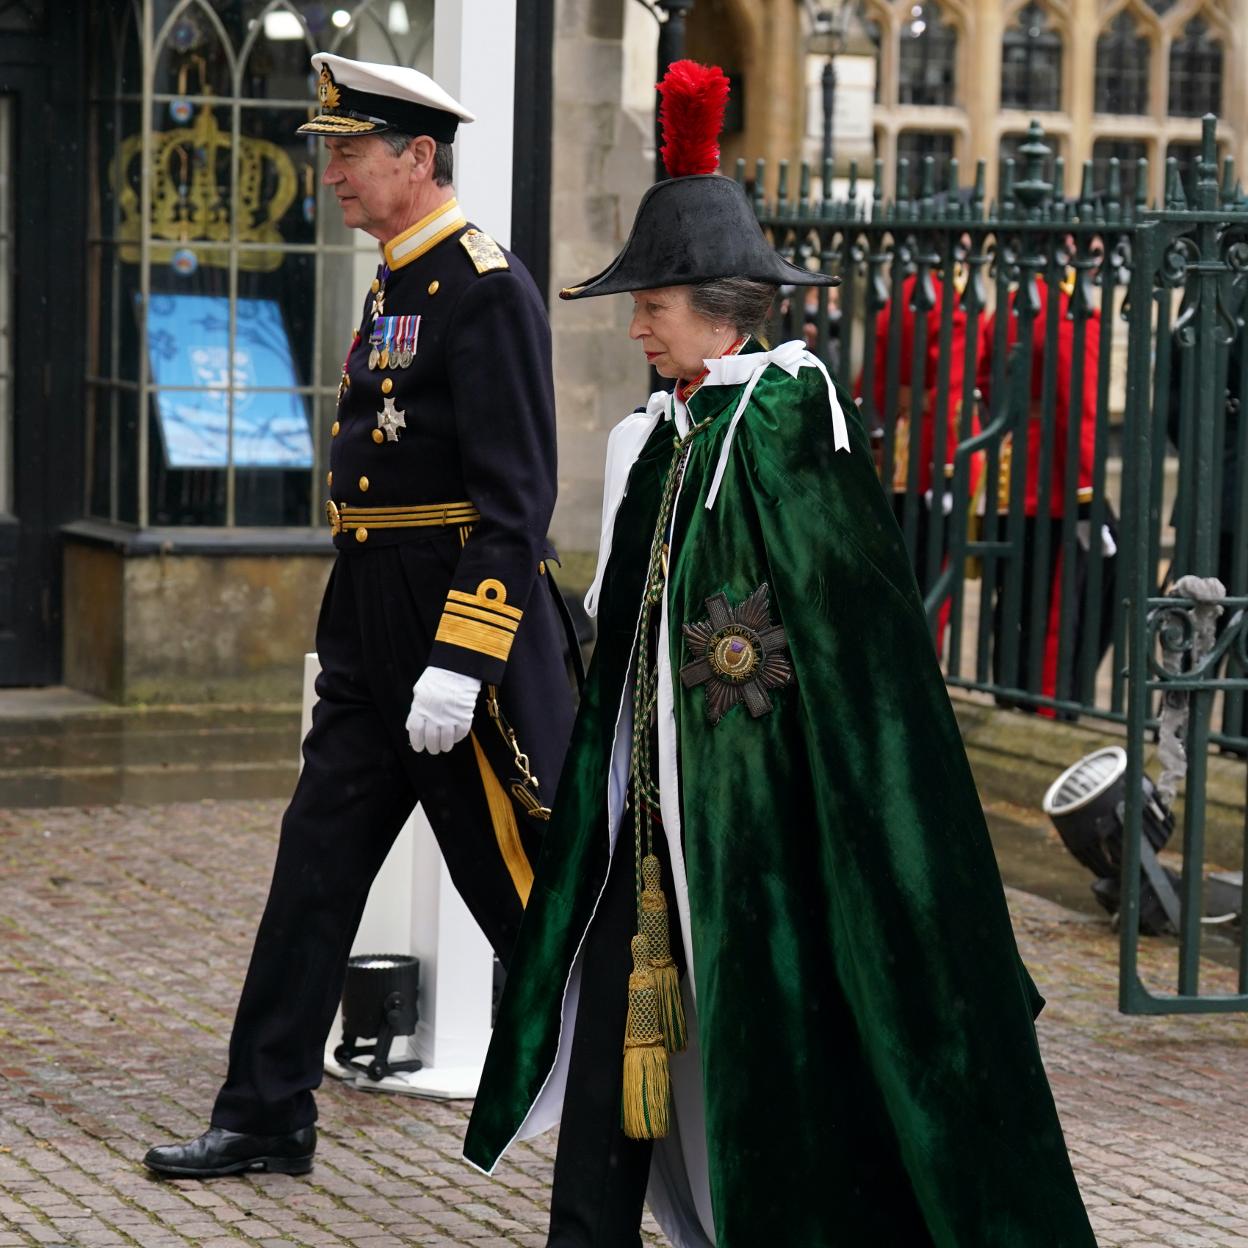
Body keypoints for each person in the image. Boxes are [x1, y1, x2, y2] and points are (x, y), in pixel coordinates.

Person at [462, 61, 1095, 1247]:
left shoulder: (792, 435)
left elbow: (867, 684)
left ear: (715, 302)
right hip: (638, 828)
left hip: (762, 845)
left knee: (775, 1061)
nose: (637, 323)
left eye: (652, 302)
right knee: (608, 1036)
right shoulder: (657, 441)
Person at [144, 53, 575, 1179]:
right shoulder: (395, 279)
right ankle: (266, 1112)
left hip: (455, 642)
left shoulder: (484, 286)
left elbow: (517, 499)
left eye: (349, 150)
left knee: (530, 900)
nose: (329, 171)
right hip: (370, 624)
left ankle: (636, 1123)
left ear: (417, 156)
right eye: (329, 149)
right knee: (314, 872)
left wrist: (461, 659)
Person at [975, 247, 1117, 712]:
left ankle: (1008, 691)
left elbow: (984, 384)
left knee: (1012, 599)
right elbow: (1080, 411)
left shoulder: (1011, 307)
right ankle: (1048, 705)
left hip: (1008, 474)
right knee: (1056, 607)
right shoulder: (1073, 314)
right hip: (1055, 482)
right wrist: (1086, 496)